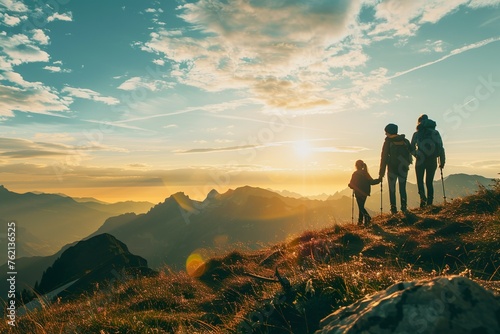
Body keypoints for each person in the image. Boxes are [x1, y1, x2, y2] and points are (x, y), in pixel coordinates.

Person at [410, 114, 446, 207]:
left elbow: (411, 147)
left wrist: (416, 155)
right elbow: (441, 147)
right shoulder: (435, 133)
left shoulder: (417, 134)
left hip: (420, 160)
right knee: (429, 182)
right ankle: (430, 203)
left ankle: (422, 200)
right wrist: (442, 162)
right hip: (432, 160)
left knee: (420, 181)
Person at [379, 123, 413, 214]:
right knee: (402, 188)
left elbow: (384, 157)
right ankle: (404, 207)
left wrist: (381, 173)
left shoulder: (388, 142)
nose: (385, 134)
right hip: (404, 168)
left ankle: (393, 209)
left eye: (386, 132)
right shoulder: (405, 141)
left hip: (392, 169)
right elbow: (412, 151)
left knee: (392, 189)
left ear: (389, 132)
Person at [349, 160, 381, 225]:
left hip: (358, 193)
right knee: (361, 206)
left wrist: (350, 186)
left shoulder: (355, 174)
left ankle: (367, 217)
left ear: (356, 166)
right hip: (365, 193)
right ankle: (361, 222)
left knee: (361, 207)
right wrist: (379, 180)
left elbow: (351, 184)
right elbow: (371, 182)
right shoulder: (365, 173)